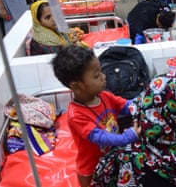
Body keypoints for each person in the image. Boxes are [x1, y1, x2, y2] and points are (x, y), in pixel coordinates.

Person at [51, 45, 141, 187]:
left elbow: (126, 105)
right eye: (97, 75)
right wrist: (125, 137)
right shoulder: (76, 115)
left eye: (101, 71)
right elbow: (99, 137)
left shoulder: (104, 96)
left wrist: (145, 102)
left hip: (110, 158)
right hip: (91, 169)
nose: (104, 77)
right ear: (76, 86)